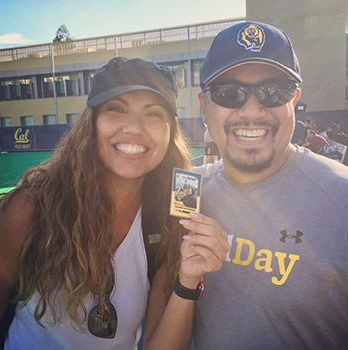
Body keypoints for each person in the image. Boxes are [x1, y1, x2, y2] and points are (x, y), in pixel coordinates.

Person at [0, 57, 227, 350]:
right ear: (91, 123)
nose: (134, 128)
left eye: (153, 114)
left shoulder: (166, 222)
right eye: (116, 109)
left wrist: (188, 278)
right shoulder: (31, 210)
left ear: (170, 131)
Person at [145, 21, 348, 349]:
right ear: (204, 106)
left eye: (274, 92)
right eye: (229, 92)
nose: (252, 110)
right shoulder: (188, 191)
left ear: (294, 100)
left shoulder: (342, 198)